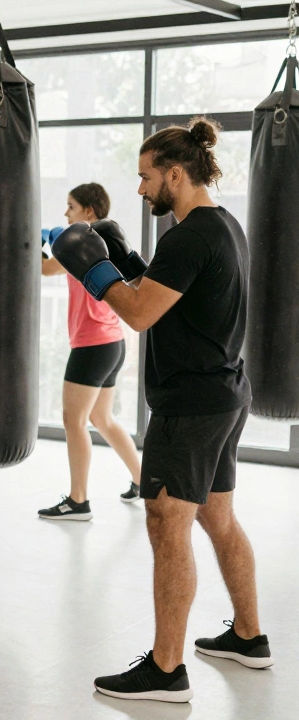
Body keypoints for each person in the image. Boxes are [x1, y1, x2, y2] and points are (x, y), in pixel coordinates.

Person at [51, 118, 271, 703]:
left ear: (176, 173)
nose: (141, 188)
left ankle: (166, 669)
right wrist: (124, 257)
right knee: (217, 517)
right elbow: (174, 300)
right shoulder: (222, 225)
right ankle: (249, 637)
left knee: (165, 521)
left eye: (147, 177)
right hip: (225, 392)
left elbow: (142, 313)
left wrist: (96, 270)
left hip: (190, 404)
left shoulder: (187, 236)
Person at [37, 183, 143, 521]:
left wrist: (35, 241)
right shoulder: (103, 244)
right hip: (112, 343)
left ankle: (78, 500)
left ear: (89, 212)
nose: (65, 214)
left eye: (71, 207)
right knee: (101, 419)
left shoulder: (80, 247)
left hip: (92, 344)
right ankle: (144, 482)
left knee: (74, 420)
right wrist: (44, 240)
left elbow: (44, 267)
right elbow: (46, 269)